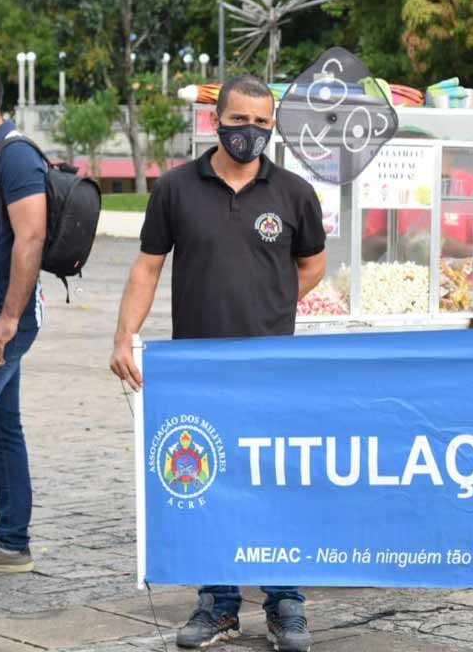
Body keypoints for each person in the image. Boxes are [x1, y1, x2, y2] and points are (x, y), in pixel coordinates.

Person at [109, 75, 326, 652]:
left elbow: (313, 266)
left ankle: (286, 602)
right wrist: (124, 337)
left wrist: (270, 304)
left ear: (271, 125)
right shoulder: (177, 189)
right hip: (199, 369)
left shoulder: (296, 193)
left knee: (275, 481)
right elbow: (147, 268)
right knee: (210, 482)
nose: (250, 132)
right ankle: (220, 603)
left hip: (272, 368)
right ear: (216, 121)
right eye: (240, 121)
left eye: (261, 123)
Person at [0, 59, 48, 592]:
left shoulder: (14, 154)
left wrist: (6, 320)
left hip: (1, 322)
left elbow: (31, 238)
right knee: (2, 425)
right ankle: (12, 545)